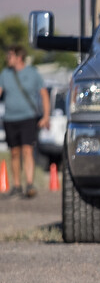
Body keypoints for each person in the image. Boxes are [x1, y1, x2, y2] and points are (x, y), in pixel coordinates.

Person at [0, 45, 50, 198]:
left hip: (28, 117)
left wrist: (46, 116)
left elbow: (44, 94)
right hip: (10, 118)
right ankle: (16, 185)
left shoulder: (33, 73)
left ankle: (29, 184)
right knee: (14, 152)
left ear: (18, 57)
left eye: (10, 56)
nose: (7, 59)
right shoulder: (5, 74)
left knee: (27, 150)